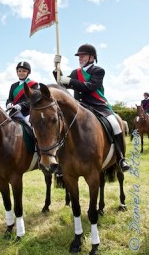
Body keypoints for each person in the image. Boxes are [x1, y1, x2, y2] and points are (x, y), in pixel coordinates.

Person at [53, 43, 130, 172]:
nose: (80, 58)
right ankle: (60, 161)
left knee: (115, 124)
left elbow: (90, 86)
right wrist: (56, 69)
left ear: (92, 57)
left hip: (98, 105)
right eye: (79, 56)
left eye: (83, 56)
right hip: (79, 107)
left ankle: (121, 158)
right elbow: (62, 84)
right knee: (61, 125)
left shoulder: (98, 71)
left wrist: (70, 81)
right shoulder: (75, 72)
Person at [6, 61, 38, 127]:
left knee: (33, 128)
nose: (21, 73)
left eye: (24, 71)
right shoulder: (13, 86)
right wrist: (8, 104)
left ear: (28, 73)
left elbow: (33, 100)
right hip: (13, 113)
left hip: (26, 113)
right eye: (19, 71)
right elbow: (10, 99)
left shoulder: (33, 85)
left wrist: (21, 105)